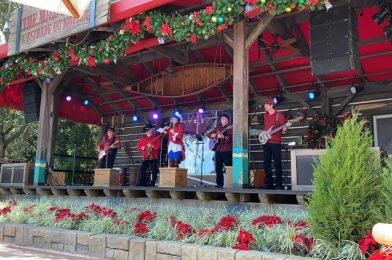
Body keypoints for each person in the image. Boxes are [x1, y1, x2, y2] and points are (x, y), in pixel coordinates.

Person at [262, 99, 291, 190]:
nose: (264, 106)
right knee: (266, 163)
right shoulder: (265, 115)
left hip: (276, 142)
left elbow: (283, 131)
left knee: (277, 163)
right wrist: (264, 133)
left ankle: (279, 184)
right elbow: (266, 128)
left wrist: (286, 128)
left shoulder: (280, 116)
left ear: (271, 105)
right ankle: (268, 184)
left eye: (266, 105)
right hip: (266, 142)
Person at [207, 114, 233, 188]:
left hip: (227, 150)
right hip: (218, 149)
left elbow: (230, 139)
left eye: (224, 119)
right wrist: (213, 135)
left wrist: (223, 137)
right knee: (218, 167)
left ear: (227, 120)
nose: (223, 120)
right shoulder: (218, 127)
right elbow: (209, 134)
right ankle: (219, 184)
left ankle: (230, 184)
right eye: (222, 119)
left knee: (229, 167)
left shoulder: (230, 128)